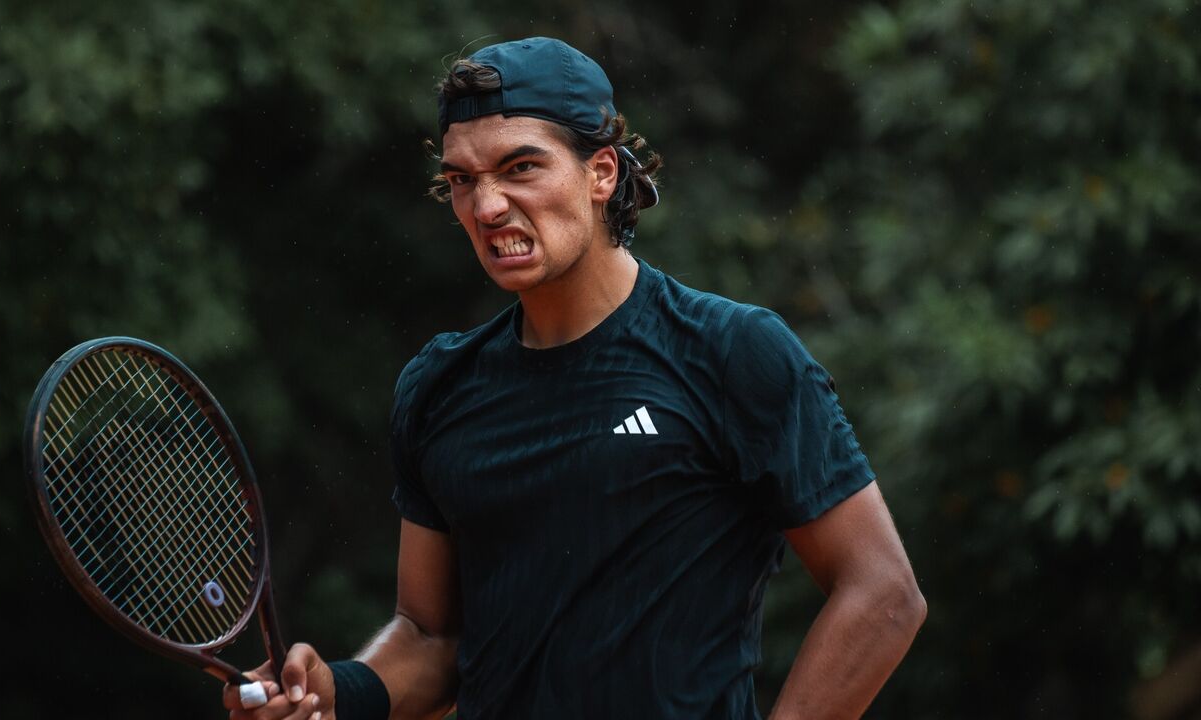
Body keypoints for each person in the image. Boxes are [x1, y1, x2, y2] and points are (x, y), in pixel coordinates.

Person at [222, 36, 925, 720]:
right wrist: (339, 693)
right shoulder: (439, 385)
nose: (487, 206)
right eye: (462, 180)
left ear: (602, 174)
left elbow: (883, 594)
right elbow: (433, 637)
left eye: (520, 167)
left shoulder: (733, 353)